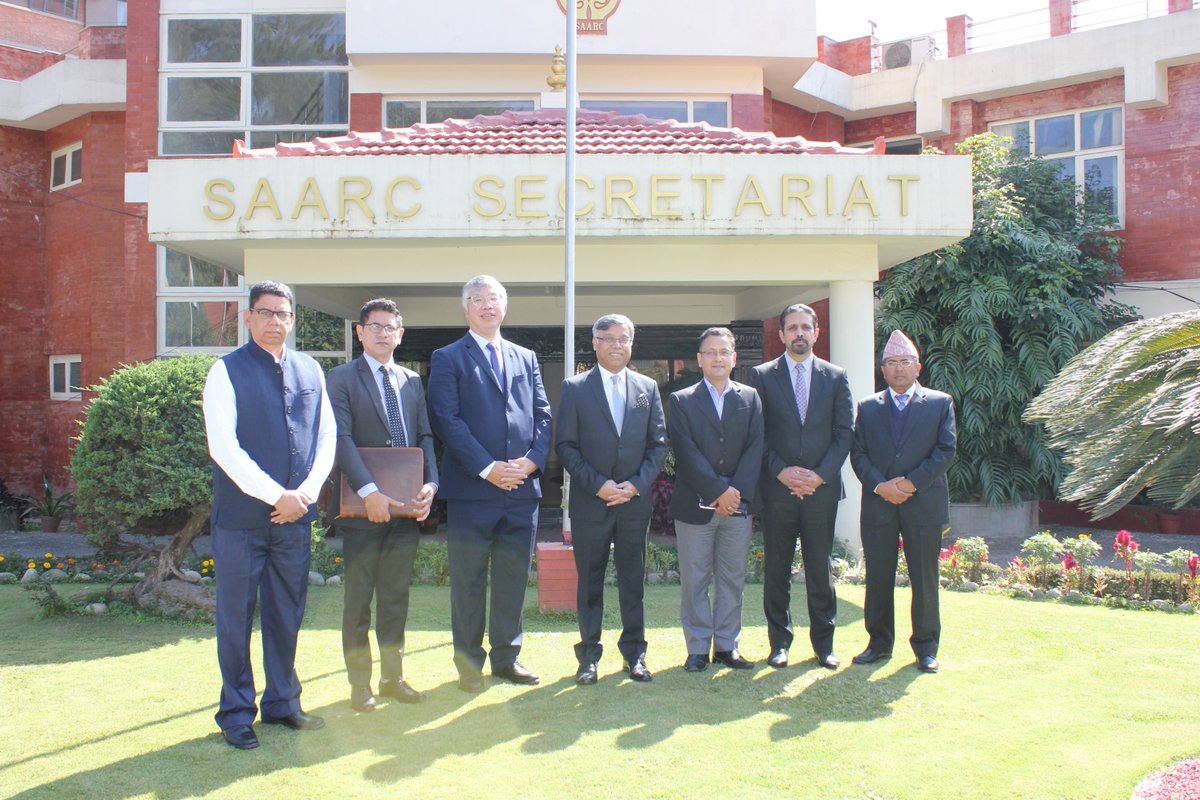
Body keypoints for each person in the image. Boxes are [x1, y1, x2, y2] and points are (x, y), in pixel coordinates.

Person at [202, 280, 336, 750]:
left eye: (282, 314)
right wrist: (276, 495)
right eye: (265, 313)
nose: (274, 322)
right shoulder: (226, 371)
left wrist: (303, 495)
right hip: (241, 520)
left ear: (292, 319)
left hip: (294, 518)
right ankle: (236, 712)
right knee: (236, 617)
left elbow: (326, 439)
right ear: (248, 317)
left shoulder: (311, 370)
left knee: (286, 614)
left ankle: (283, 703)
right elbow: (224, 447)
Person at [427, 275, 552, 692]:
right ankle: (468, 666)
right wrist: (487, 467)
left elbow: (543, 415)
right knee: (468, 580)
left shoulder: (526, 357)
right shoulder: (447, 357)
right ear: (465, 308)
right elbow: (447, 420)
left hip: (521, 491)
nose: (486, 305)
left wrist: (531, 463)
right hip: (472, 491)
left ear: (505, 306)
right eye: (477, 299)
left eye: (493, 298)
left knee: (514, 578)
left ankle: (507, 659)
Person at [327, 299, 439, 712]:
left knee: (395, 600)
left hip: (406, 511)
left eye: (390, 327)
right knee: (358, 601)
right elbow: (341, 440)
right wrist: (370, 491)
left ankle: (393, 678)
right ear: (360, 332)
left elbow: (425, 437)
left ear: (401, 334)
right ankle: (361, 686)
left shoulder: (411, 380)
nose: (382, 333)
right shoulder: (340, 378)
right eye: (374, 326)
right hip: (362, 510)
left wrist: (431, 484)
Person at [555, 314, 667, 685]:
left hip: (634, 503)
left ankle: (634, 655)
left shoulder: (647, 387)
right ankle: (588, 658)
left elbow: (657, 446)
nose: (616, 344)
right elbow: (566, 447)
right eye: (609, 338)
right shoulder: (575, 388)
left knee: (633, 580)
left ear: (631, 344)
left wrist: (634, 485)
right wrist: (599, 484)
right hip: (592, 501)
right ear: (595, 342)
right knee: (589, 582)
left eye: (624, 338)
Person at [748, 303, 852, 670]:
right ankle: (780, 644)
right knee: (776, 569)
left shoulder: (836, 377)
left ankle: (824, 645)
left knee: (819, 570)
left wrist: (819, 475)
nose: (799, 334)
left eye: (806, 327)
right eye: (792, 328)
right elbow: (756, 434)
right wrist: (782, 472)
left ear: (816, 332)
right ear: (781, 335)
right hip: (778, 491)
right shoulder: (761, 376)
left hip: (821, 492)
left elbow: (844, 434)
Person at [850, 330, 956, 674]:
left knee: (924, 578)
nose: (898, 369)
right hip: (880, 503)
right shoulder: (867, 408)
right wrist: (882, 487)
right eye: (892, 363)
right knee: (878, 577)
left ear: (918, 367)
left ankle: (926, 647)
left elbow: (945, 450)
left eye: (905, 362)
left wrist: (910, 483)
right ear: (882, 370)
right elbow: (859, 453)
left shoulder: (940, 403)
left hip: (923, 502)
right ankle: (878, 644)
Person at [667, 327, 764, 673]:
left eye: (724, 352)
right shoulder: (682, 400)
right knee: (694, 579)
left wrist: (735, 493)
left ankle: (726, 646)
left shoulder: (750, 398)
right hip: (695, 506)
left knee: (732, 579)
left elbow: (756, 448)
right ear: (699, 359)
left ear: (734, 358)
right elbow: (686, 453)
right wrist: (717, 492)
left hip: (737, 509)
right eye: (710, 352)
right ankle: (696, 649)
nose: (717, 358)